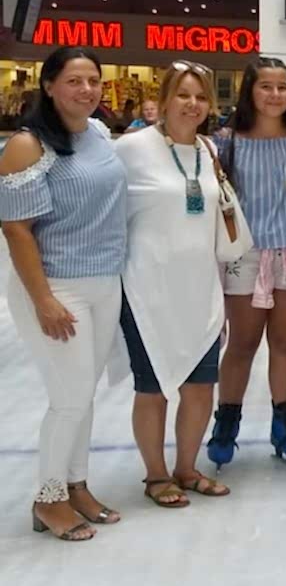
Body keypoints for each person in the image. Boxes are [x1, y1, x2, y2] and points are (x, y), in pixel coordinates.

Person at [0, 46, 126, 541]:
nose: (87, 90)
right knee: (69, 395)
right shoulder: (27, 146)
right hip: (56, 286)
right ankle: (48, 497)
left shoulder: (97, 133)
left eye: (93, 80)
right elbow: (17, 229)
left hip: (104, 281)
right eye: (74, 81)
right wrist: (43, 299)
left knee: (84, 392)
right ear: (49, 86)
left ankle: (76, 485)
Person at [115, 60, 230, 507]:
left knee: (200, 386)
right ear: (163, 100)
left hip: (199, 287)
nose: (192, 104)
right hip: (147, 288)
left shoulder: (207, 149)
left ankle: (187, 468)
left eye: (201, 97)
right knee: (153, 387)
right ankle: (156, 475)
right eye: (183, 94)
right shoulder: (131, 148)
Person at [206, 57, 286, 470]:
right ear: (250, 91)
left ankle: (285, 428)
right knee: (243, 344)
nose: (274, 94)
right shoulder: (226, 143)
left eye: (282, 87)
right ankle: (225, 425)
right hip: (245, 255)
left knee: (284, 343)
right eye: (265, 86)